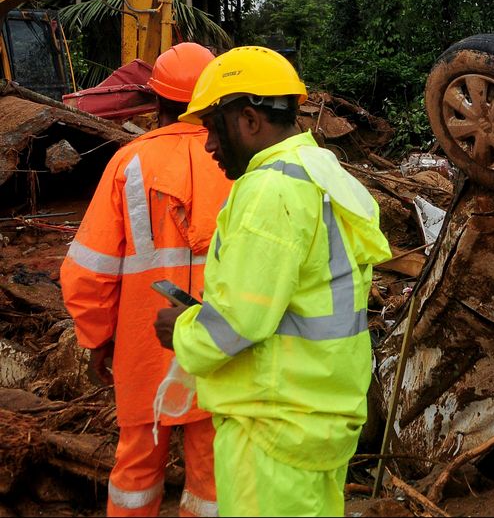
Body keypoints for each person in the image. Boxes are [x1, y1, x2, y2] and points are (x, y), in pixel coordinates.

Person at [152, 46, 391, 517]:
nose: (209, 146)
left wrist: (182, 328)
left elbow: (237, 325)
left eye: (212, 129)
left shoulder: (267, 190)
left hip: (272, 424)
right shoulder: (323, 173)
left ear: (248, 119)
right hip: (323, 417)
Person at [60, 42, 226, 517]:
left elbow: (88, 269)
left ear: (156, 102)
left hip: (142, 344)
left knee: (136, 465)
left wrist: (97, 338)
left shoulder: (128, 163)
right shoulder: (237, 162)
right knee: (212, 469)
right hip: (218, 341)